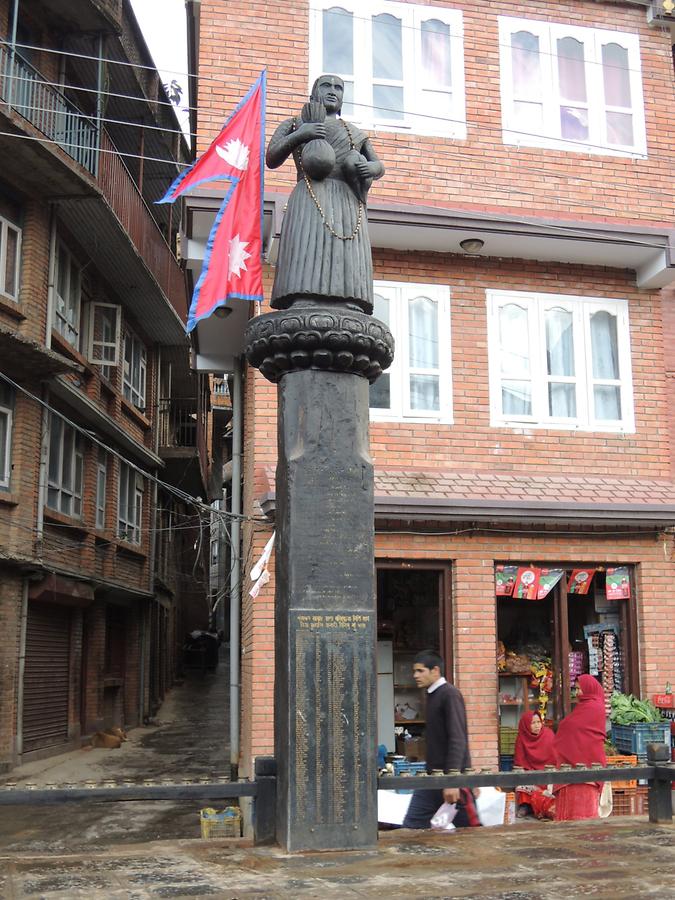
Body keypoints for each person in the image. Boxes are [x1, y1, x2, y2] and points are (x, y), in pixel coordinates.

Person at [266, 74, 384, 314]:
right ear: (313, 94)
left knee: (346, 254)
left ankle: (350, 297)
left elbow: (378, 166)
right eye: (326, 86)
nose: (333, 91)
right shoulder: (294, 123)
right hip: (310, 195)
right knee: (307, 247)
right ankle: (301, 295)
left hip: (347, 200)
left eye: (339, 88)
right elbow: (272, 157)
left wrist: (370, 168)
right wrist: (303, 133)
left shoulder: (353, 132)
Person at [402, 650, 480, 829]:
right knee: (411, 826)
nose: (415, 675)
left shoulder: (449, 694)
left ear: (435, 670)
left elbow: (458, 739)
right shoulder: (431, 695)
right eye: (415, 671)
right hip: (432, 777)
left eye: (420, 671)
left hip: (452, 778)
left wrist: (452, 780)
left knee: (471, 832)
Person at [553, 674, 607, 821]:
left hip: (587, 763)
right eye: (576, 689)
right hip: (575, 763)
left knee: (582, 815)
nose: (577, 693)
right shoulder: (586, 706)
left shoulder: (594, 706)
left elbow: (574, 728)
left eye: (579, 689)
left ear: (588, 689)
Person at [513, 711, 556, 819]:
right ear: (526, 725)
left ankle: (542, 806)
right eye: (533, 723)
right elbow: (519, 762)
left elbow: (556, 757)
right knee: (521, 780)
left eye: (538, 722)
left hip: (547, 772)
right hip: (531, 772)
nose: (537, 725)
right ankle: (526, 806)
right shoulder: (521, 738)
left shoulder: (549, 734)